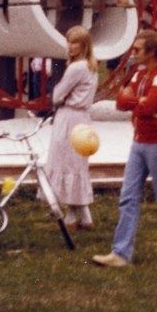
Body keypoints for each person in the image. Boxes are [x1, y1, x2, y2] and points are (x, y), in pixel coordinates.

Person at [93, 30, 157, 267]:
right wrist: (138, 102)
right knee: (128, 197)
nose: (133, 53)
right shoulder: (140, 73)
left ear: (152, 52)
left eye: (138, 50)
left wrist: (135, 101)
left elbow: (147, 108)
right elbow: (120, 102)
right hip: (139, 142)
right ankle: (121, 253)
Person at [43, 26, 97, 231]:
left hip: (69, 117)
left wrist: (57, 96)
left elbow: (58, 94)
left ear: (84, 45)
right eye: (69, 42)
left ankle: (73, 218)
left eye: (75, 42)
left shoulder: (76, 68)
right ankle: (83, 217)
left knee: (66, 163)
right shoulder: (91, 66)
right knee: (76, 165)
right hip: (82, 117)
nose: (70, 46)